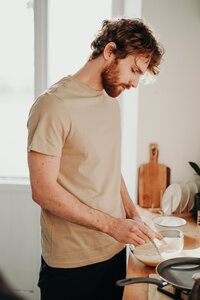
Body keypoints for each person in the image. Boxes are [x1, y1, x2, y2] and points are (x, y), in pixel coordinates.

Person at [27, 18, 164, 300]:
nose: (135, 83)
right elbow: (43, 191)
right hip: (72, 265)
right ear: (110, 51)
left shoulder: (110, 101)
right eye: (134, 70)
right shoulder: (54, 105)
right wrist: (113, 225)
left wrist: (134, 215)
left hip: (114, 251)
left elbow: (109, 169)